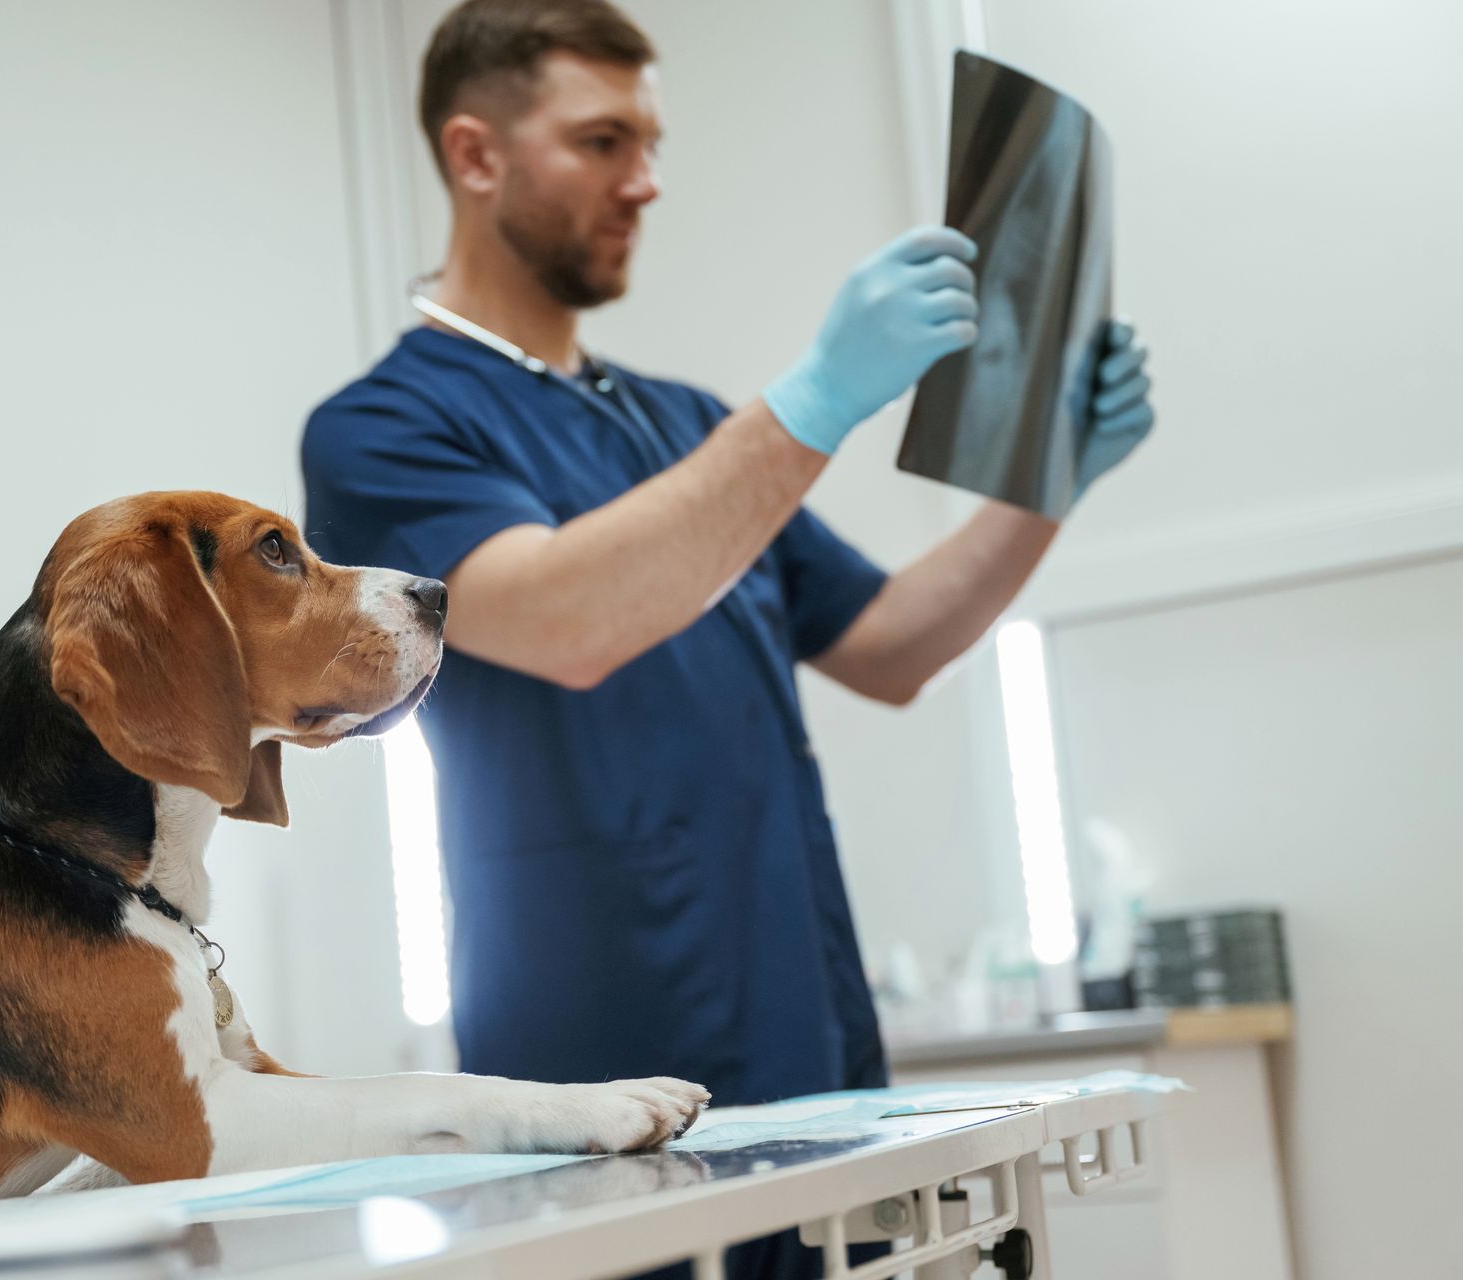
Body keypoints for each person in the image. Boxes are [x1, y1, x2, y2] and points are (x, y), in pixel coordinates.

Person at [300, 2, 1154, 1275]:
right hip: (596, 1100)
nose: (644, 181)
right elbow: (565, 616)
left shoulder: (686, 423)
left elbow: (892, 643)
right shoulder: (381, 431)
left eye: (650, 140)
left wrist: (1046, 479)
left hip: (807, 1059)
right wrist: (812, 400)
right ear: (476, 157)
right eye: (602, 141)